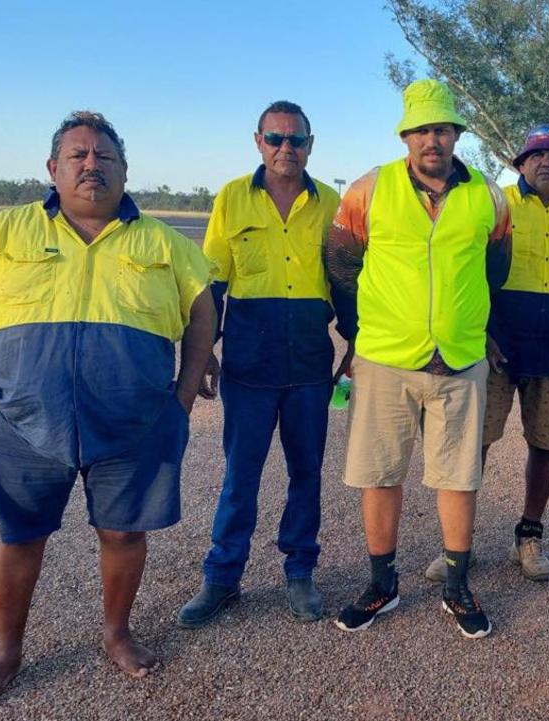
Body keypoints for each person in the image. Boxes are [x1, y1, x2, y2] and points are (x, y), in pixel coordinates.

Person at [0, 111, 214, 709]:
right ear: (53, 168)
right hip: (21, 425)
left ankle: (117, 634)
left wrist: (182, 400)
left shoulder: (165, 243)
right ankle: (6, 651)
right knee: (20, 538)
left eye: (104, 156)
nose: (92, 165)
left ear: (124, 168)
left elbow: (201, 317)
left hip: (137, 425)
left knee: (122, 534)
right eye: (78, 155)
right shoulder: (0, 233)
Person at [323, 79, 510, 638]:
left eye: (444, 128)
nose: (434, 138)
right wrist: (360, 332)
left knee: (458, 476)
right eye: (423, 129)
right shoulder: (368, 189)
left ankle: (456, 586)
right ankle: (383, 584)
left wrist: (467, 317)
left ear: (457, 135)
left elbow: (496, 267)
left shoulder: (487, 195)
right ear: (406, 134)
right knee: (380, 473)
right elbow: (340, 263)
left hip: (458, 357)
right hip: (385, 358)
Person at [178, 101, 352, 628]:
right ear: (258, 141)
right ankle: (222, 578)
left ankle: (300, 571)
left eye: (295, 140)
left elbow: (344, 278)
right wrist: (202, 347)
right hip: (249, 363)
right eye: (275, 139)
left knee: (306, 471)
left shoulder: (331, 203)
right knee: (240, 475)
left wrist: (356, 342)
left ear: (310, 145)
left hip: (308, 362)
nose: (286, 149)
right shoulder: (233, 197)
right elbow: (213, 282)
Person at [421, 124, 549, 584]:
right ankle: (458, 546)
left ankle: (530, 535)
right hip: (494, 346)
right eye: (537, 155)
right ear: (520, 163)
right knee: (474, 446)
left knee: (544, 443)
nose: (546, 163)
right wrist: (484, 335)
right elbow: (467, 274)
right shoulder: (492, 202)